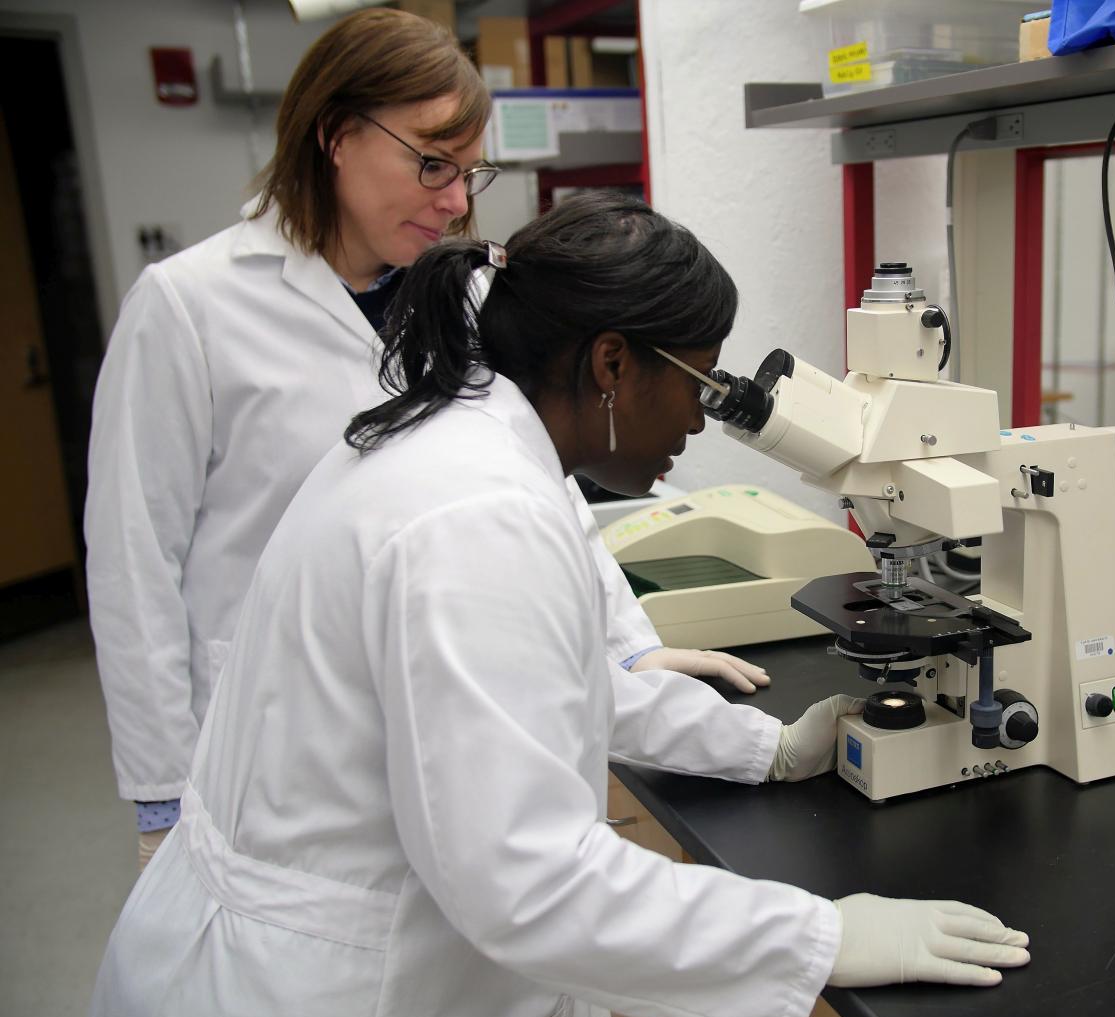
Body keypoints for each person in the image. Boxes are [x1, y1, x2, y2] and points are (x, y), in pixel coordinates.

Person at [82, 192, 1030, 1017]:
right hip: (323, 1005)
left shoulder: (453, 437)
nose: (699, 423)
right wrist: (820, 936)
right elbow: (527, 883)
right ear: (611, 363)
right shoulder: (475, 515)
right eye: (696, 383)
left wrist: (766, 747)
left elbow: (536, 688)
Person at [84, 9, 764, 871]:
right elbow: (132, 563)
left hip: (445, 697)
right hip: (269, 738)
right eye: (432, 164)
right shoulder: (190, 306)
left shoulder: (464, 300)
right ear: (335, 135)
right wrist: (160, 795)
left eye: (470, 173)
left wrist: (627, 648)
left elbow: (540, 478)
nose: (454, 202)